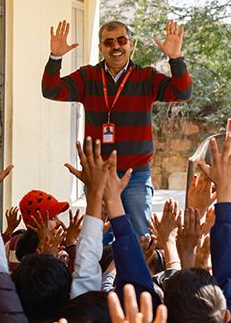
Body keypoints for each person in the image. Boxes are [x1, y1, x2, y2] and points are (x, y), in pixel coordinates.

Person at [42, 19, 192, 236]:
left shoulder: (145, 77)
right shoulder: (88, 77)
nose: (116, 47)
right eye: (109, 42)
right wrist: (55, 58)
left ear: (131, 43)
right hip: (99, 174)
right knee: (98, 237)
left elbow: (182, 92)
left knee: (140, 237)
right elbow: (51, 90)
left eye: (121, 40)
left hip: (135, 174)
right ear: (100, 47)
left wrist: (175, 59)